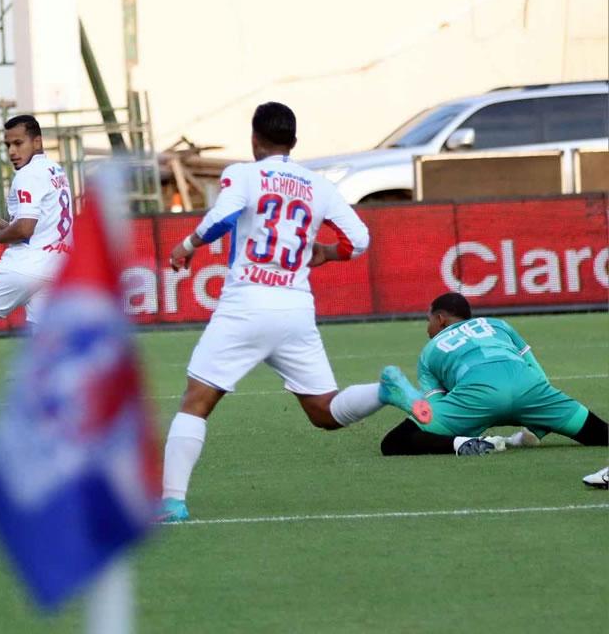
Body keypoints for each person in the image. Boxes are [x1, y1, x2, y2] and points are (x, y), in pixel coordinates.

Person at [157, 102, 427, 524]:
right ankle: (384, 392)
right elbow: (358, 239)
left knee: (196, 403)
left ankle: (172, 502)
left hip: (246, 304)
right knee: (323, 411)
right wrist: (327, 253)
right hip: (295, 309)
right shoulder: (319, 185)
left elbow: (223, 215)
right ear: (294, 142)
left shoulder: (243, 174)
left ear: (253, 140)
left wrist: (187, 245)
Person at [379, 292, 608, 457]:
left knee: (394, 442)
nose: (426, 327)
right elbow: (538, 374)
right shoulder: (499, 325)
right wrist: (538, 424)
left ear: (440, 319)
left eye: (427, 320)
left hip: (477, 399)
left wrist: (462, 429)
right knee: (601, 434)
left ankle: (465, 444)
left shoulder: (429, 351)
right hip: (531, 391)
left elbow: (432, 410)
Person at [0, 114, 73, 415]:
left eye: (18, 143)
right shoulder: (56, 170)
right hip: (56, 267)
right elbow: (38, 222)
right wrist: (8, 224)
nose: (11, 151)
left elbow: (25, 230)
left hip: (25, 266)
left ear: (37, 141)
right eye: (7, 144)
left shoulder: (28, 175)